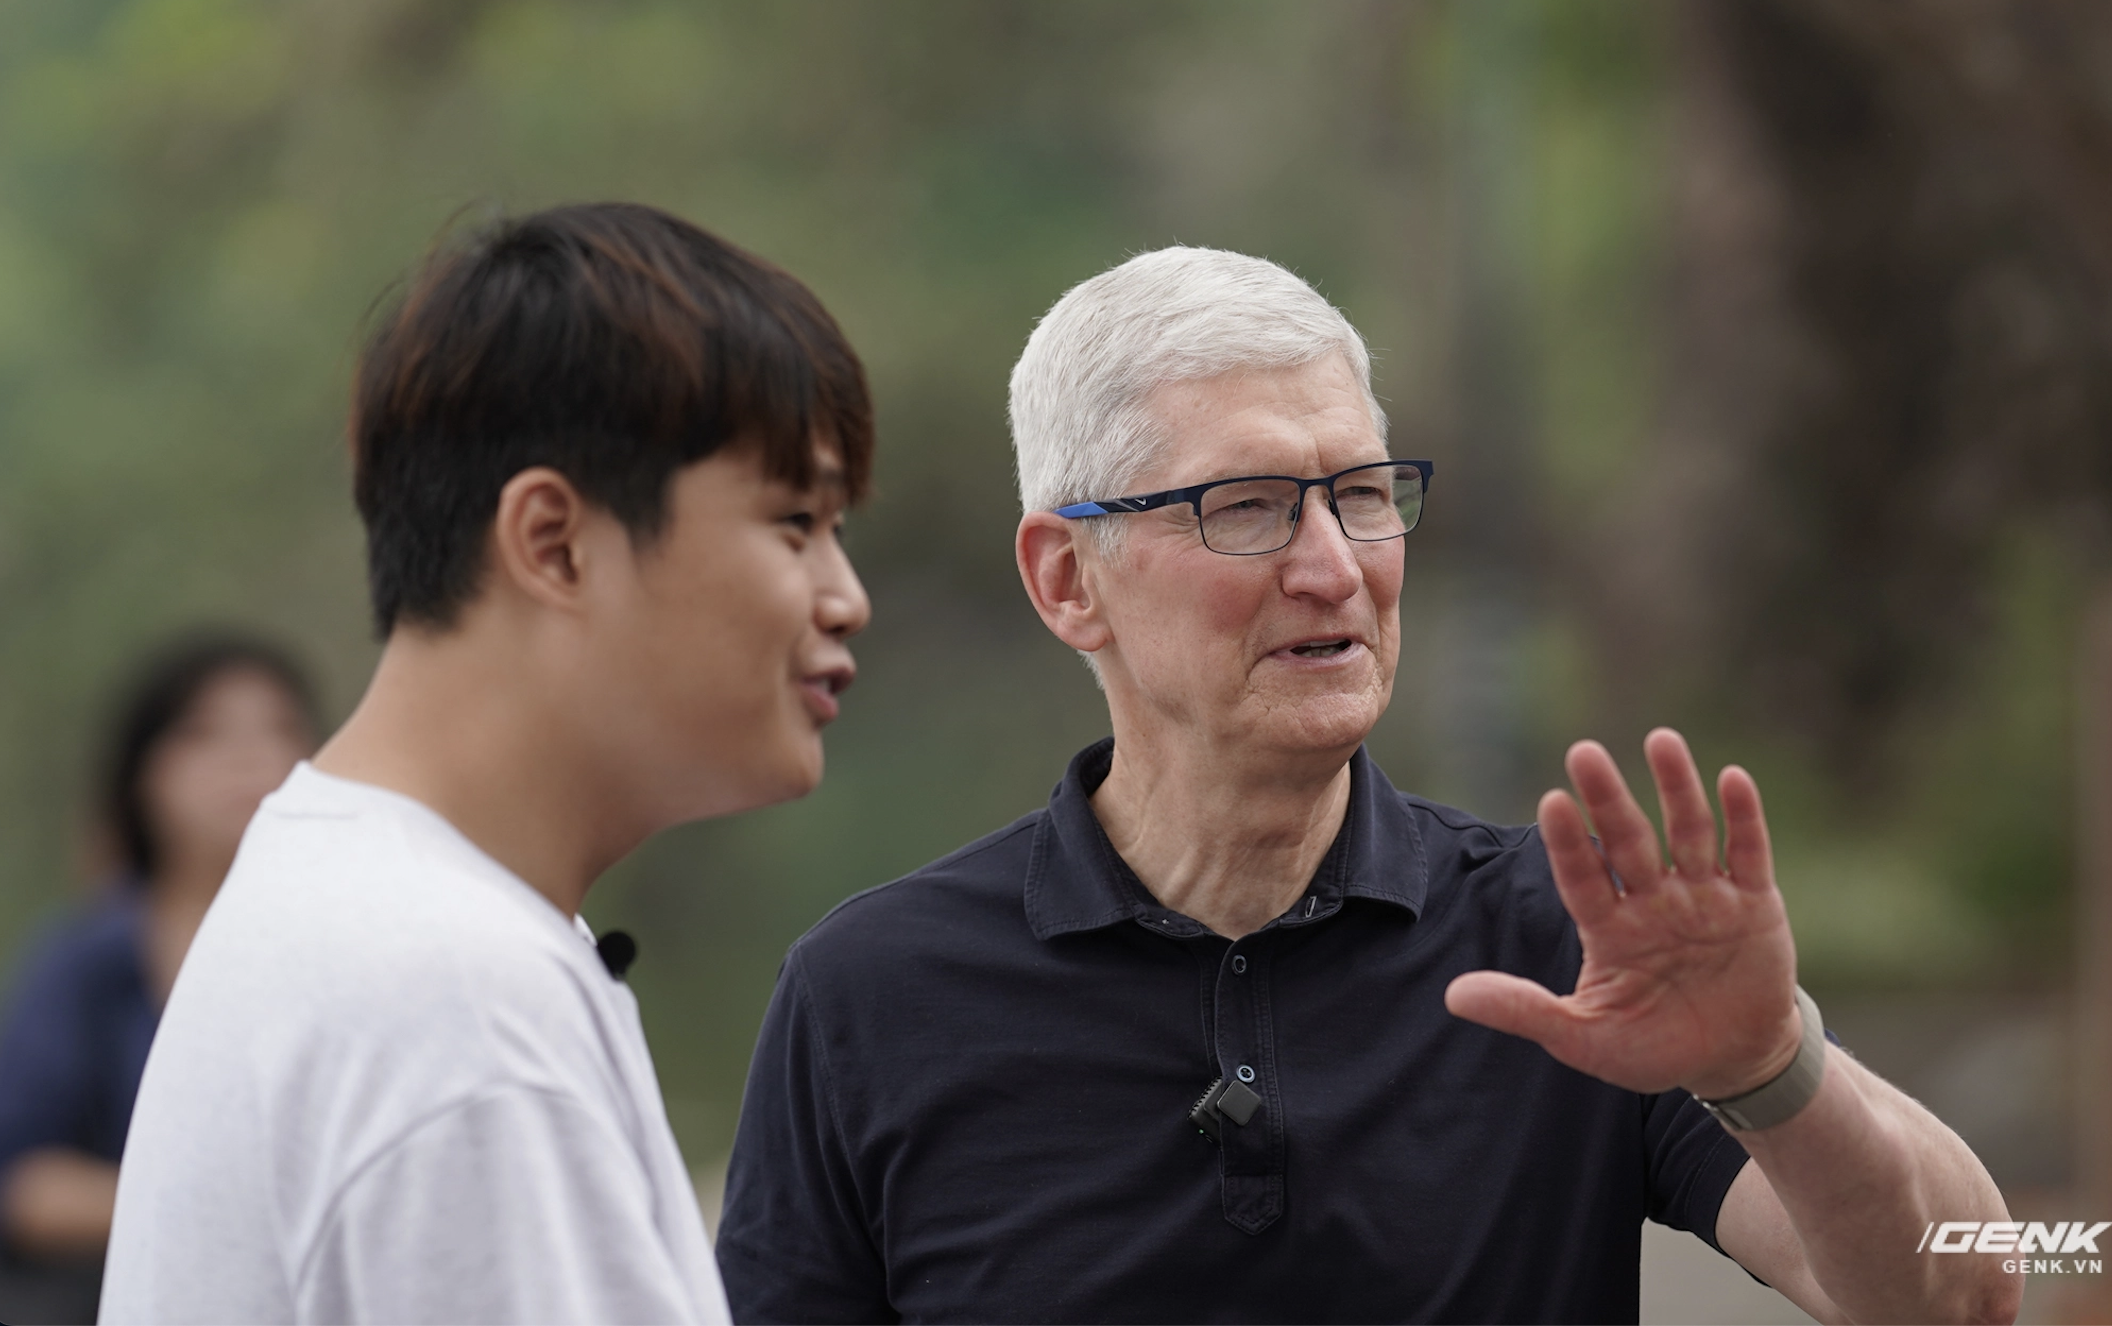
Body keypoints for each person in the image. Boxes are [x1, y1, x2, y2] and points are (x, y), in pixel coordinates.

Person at [717, 247, 2021, 1324]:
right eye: (1249, 504)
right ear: (1067, 578)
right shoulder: (869, 996)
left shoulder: (1577, 943)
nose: (1336, 565)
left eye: (1361, 494)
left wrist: (1771, 1064)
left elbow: (1984, 1284)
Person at [101, 202, 873, 1324]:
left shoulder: (372, 907)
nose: (845, 595)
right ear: (554, 542)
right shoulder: (451, 1000)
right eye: (795, 520)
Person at [0, 635, 316, 1324]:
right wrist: (217, 1209)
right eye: (203, 733)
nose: (247, 757)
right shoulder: (88, 964)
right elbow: (21, 1182)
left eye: (278, 728)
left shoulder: (350, 950)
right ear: (143, 774)